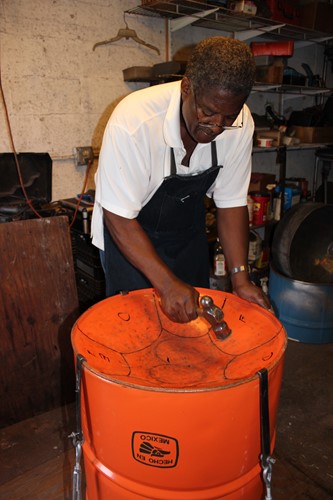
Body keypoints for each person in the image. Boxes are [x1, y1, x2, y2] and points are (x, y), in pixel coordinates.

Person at [91, 36, 271, 323]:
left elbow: (232, 202)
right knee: (138, 331)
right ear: (187, 87)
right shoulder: (135, 122)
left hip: (186, 237)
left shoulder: (241, 122)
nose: (216, 127)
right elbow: (119, 218)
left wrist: (241, 279)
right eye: (208, 112)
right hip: (129, 236)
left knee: (192, 331)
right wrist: (165, 284)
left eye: (228, 117)